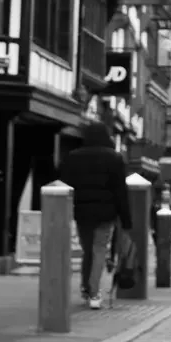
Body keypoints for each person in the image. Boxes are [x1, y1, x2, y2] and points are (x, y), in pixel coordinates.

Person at [57, 122, 133, 310]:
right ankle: (94, 292)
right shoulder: (114, 158)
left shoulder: (73, 157)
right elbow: (120, 192)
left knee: (87, 250)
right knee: (99, 249)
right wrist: (126, 219)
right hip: (106, 213)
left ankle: (86, 286)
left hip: (82, 212)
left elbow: (63, 184)